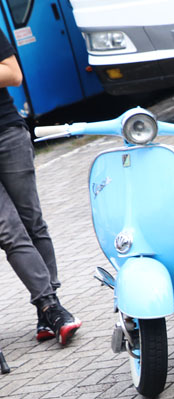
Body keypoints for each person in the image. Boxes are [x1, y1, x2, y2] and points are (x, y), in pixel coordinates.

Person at [0, 30, 80, 345]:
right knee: (8, 231)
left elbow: (13, 74)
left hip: (7, 133)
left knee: (32, 221)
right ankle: (50, 306)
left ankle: (47, 313)